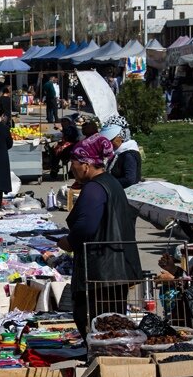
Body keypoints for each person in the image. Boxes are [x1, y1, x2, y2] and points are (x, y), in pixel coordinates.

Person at [58, 133, 143, 335]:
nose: (73, 168)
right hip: (114, 268)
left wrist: (68, 242)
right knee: (112, 321)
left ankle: (105, 360)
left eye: (74, 163)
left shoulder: (95, 188)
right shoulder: (111, 183)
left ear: (86, 164)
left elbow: (86, 226)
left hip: (102, 270)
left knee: (94, 318)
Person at [100, 114, 142, 189]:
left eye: (111, 139)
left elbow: (129, 180)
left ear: (121, 137)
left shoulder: (129, 155)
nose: (108, 142)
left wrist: (107, 184)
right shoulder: (118, 152)